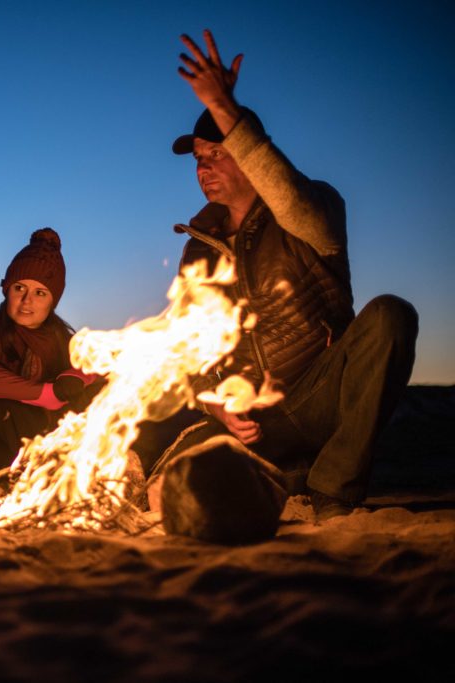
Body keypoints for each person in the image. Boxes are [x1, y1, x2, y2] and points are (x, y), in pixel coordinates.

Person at [149, 30, 418, 531]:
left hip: (317, 398)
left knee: (389, 316)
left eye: (218, 154)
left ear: (249, 155)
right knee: (163, 491)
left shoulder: (311, 212)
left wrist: (222, 105)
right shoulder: (198, 247)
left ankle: (333, 491)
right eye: (199, 161)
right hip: (251, 422)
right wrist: (217, 405)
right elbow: (190, 350)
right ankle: (283, 477)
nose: (204, 169)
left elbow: (286, 193)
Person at [0, 228, 98, 492]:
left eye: (40, 292)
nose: (27, 300)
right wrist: (44, 393)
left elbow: (98, 366)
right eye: (20, 288)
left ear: (53, 300)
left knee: (94, 394)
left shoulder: (65, 341)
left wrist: (76, 376)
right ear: (7, 290)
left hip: (44, 453)